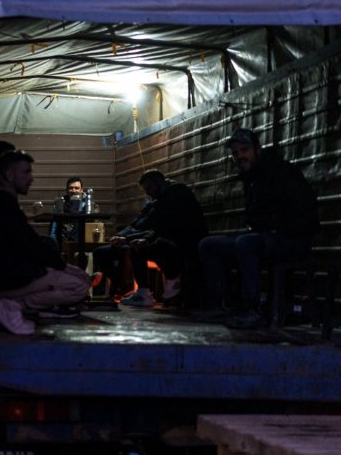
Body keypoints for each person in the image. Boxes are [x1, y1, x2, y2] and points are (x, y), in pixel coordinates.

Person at [197, 128, 319, 328]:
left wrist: (275, 227)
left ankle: (252, 310)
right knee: (208, 245)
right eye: (235, 153)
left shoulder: (282, 172)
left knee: (247, 243)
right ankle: (224, 305)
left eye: (244, 150)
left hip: (292, 239)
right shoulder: (251, 177)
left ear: (257, 149)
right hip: (264, 237)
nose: (239, 156)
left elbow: (306, 211)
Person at [0, 145, 91, 334]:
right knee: (79, 285)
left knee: (55, 256)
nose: (31, 178)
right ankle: (13, 305)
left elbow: (29, 241)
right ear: (9, 175)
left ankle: (18, 304)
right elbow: (28, 243)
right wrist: (63, 267)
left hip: (8, 276)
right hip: (11, 280)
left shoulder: (0, 201)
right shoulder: (4, 204)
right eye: (26, 172)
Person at [92, 170, 208, 307]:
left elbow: (166, 225)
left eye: (149, 188)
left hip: (186, 241)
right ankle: (143, 292)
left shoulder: (176, 193)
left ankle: (170, 281)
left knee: (143, 248)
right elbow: (149, 225)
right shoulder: (161, 198)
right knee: (135, 247)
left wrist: (142, 239)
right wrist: (126, 237)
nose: (148, 193)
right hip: (170, 238)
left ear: (160, 182)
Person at [49, 176, 86, 243]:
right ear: (66, 190)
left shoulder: (86, 203)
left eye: (77, 188)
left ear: (81, 190)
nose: (74, 190)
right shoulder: (60, 202)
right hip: (63, 240)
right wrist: (53, 243)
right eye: (71, 188)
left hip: (81, 241)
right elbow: (54, 225)